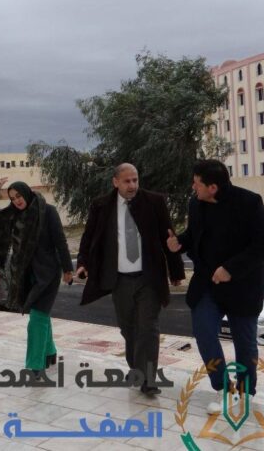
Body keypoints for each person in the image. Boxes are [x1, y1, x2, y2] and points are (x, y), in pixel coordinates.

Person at [167, 159, 264, 414]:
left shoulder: (249, 203)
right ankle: (224, 388)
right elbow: (194, 235)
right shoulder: (196, 204)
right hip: (207, 284)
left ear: (213, 187)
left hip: (243, 287)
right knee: (203, 332)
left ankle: (245, 392)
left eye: (197, 183)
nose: (193, 187)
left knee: (244, 344)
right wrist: (179, 243)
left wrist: (230, 269)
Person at [76, 163, 185, 396]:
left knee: (148, 328)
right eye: (127, 181)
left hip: (149, 277)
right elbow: (89, 237)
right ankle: (137, 368)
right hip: (119, 279)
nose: (132, 185)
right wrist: (83, 263)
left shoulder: (154, 202)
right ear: (115, 182)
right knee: (128, 329)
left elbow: (168, 236)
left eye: (135, 180)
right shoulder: (101, 206)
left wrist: (176, 271)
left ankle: (148, 380)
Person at [0, 177, 74, 375]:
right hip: (25, 274)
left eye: (18, 196)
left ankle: (35, 365)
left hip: (48, 274)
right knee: (41, 315)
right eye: (12, 198)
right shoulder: (13, 215)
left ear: (26, 193)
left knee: (37, 317)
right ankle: (50, 352)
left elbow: (60, 241)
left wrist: (68, 269)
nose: (16, 200)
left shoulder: (47, 211)